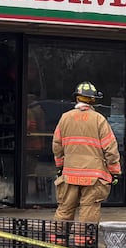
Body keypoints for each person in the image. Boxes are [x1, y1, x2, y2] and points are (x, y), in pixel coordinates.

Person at [51, 81, 121, 224]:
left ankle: (58, 241)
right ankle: (84, 244)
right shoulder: (99, 120)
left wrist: (60, 167)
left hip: (70, 174)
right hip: (93, 177)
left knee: (65, 209)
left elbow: (57, 146)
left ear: (77, 98)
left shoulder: (65, 118)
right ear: (93, 100)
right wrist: (114, 172)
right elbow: (111, 149)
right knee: (88, 212)